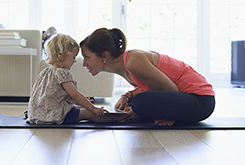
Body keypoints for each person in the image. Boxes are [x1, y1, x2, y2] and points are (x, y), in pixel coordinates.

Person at [79, 27, 216, 126]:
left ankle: (166, 117)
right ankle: (154, 114)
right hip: (186, 100)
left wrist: (142, 110)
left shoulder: (133, 62)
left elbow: (171, 89)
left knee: (140, 103)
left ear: (104, 55)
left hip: (200, 101)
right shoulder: (126, 66)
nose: (84, 64)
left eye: (87, 57)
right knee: (131, 103)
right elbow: (152, 87)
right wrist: (127, 96)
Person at [27, 33, 120, 125]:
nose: (75, 61)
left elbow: (52, 96)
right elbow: (75, 95)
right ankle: (121, 118)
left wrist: (84, 102)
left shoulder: (44, 72)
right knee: (90, 113)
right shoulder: (62, 73)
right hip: (55, 115)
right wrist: (93, 108)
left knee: (81, 109)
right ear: (63, 55)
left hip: (37, 114)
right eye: (74, 57)